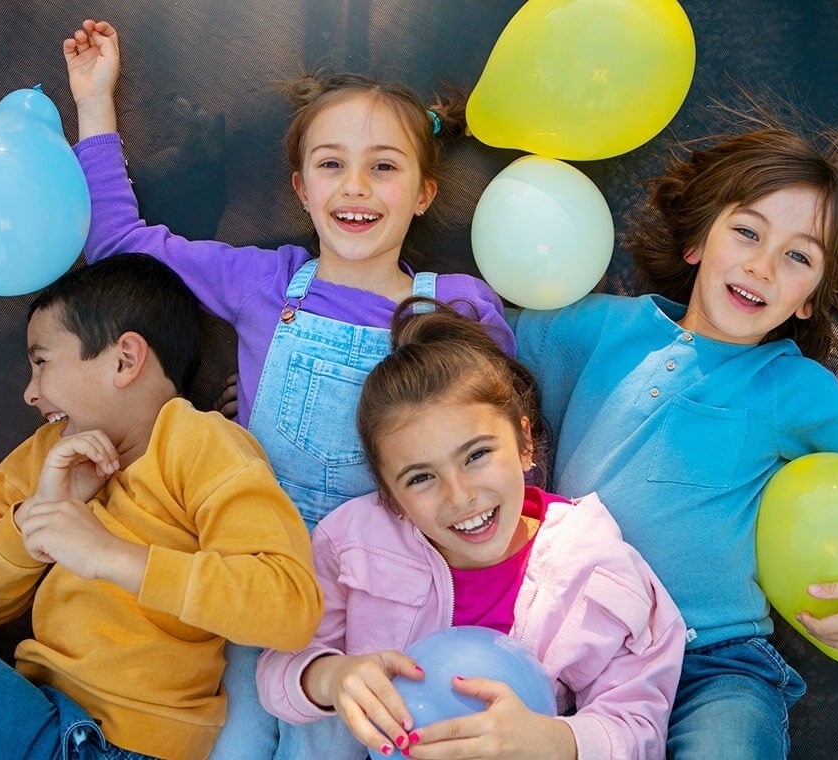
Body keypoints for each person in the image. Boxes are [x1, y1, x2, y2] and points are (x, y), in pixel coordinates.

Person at [63, 19, 515, 758]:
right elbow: (118, 245)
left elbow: (503, 448)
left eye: (385, 167)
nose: (357, 187)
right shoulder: (264, 283)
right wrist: (94, 104)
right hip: (257, 583)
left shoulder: (458, 307)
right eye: (332, 165)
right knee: (237, 744)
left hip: (384, 604)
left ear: (426, 192)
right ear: (302, 189)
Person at [511, 106, 838, 759]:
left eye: (797, 257)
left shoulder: (789, 386)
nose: (762, 266)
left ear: (809, 298)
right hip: (572, 646)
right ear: (698, 242)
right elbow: (480, 345)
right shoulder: (596, 327)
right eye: (747, 232)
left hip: (712, 661)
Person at [0, 254, 322, 760]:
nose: (30, 392)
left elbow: (289, 607)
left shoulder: (199, 443)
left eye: (42, 362)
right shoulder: (45, 455)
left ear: (125, 361)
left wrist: (106, 554)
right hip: (39, 713)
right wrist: (34, 520)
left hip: (115, 742)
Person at [257, 298, 687, 760]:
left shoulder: (595, 566)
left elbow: (640, 727)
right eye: (421, 478)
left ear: (525, 444)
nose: (460, 497)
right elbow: (278, 667)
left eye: (477, 455)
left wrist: (557, 740)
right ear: (391, 497)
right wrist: (331, 677)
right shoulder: (351, 546)